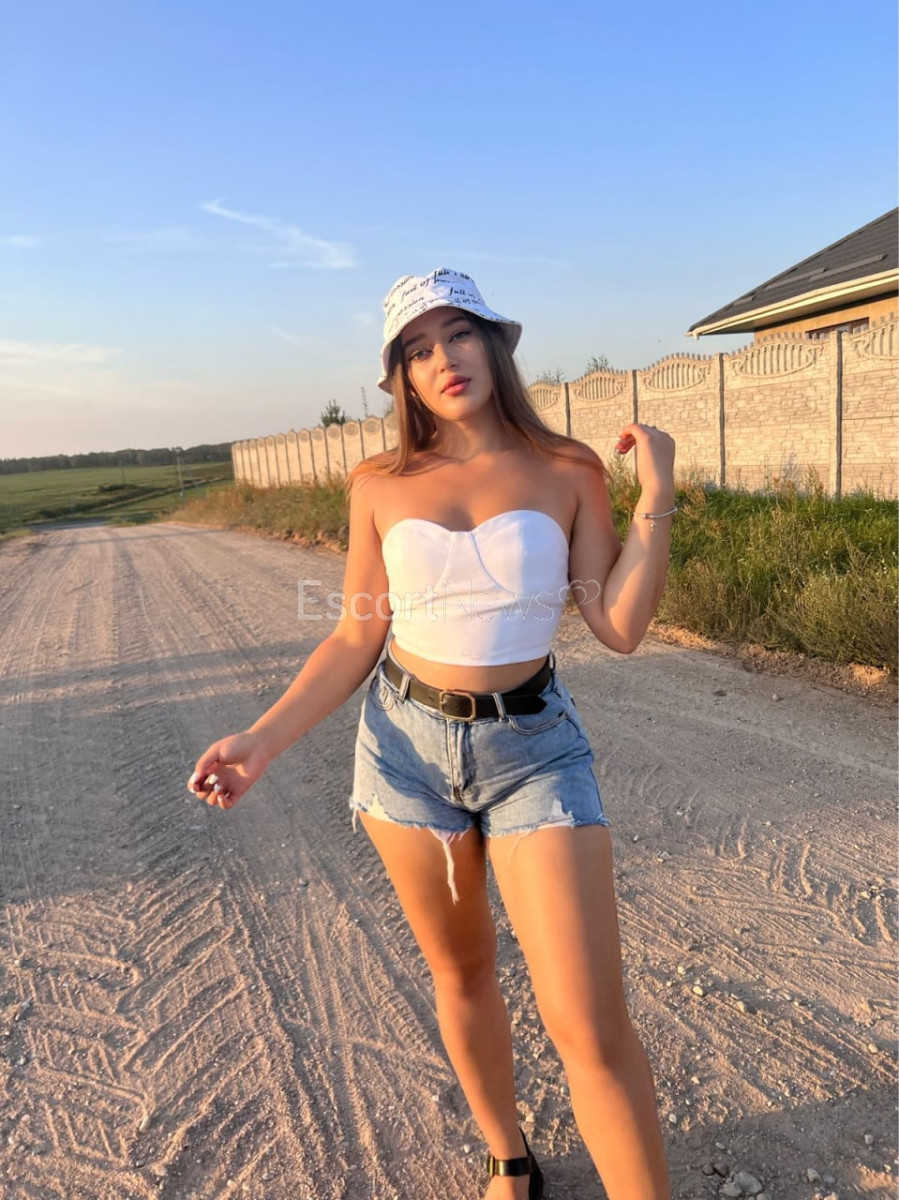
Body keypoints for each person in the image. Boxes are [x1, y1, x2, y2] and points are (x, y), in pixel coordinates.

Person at [188, 267, 677, 1199]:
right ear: (401, 377)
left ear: (491, 343)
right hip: (405, 754)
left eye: (457, 334)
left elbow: (617, 625)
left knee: (586, 1023)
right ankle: (507, 1158)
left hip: (534, 751)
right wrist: (261, 740)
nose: (442, 358)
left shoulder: (568, 468)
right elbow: (355, 634)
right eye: (416, 349)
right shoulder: (377, 483)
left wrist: (655, 494)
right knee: (462, 974)